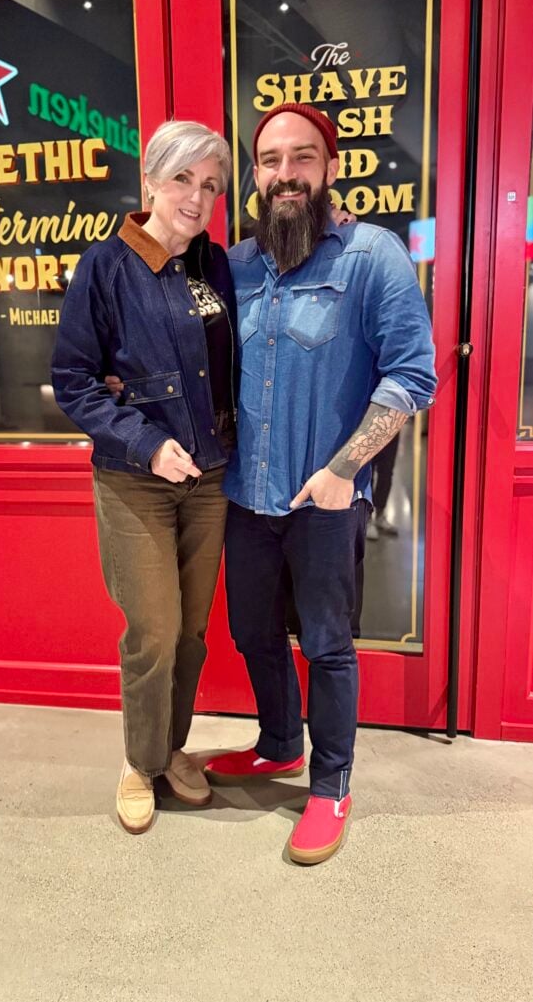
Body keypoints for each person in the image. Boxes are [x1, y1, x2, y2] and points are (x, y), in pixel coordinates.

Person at [204, 102, 437, 865]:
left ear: (329, 168)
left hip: (325, 500)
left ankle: (331, 780)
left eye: (301, 158)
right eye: (270, 162)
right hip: (244, 495)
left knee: (328, 644)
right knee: (252, 632)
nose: (284, 175)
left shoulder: (372, 257)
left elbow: (412, 375)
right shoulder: (233, 267)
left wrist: (344, 470)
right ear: (255, 177)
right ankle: (279, 744)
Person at [51, 121, 236, 834]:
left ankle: (170, 749)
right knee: (154, 629)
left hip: (212, 476)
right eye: (184, 178)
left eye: (211, 184)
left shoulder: (216, 265)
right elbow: (72, 380)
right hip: (135, 479)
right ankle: (138, 760)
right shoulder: (105, 265)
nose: (196, 196)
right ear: (152, 180)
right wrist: (147, 442)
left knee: (191, 631)